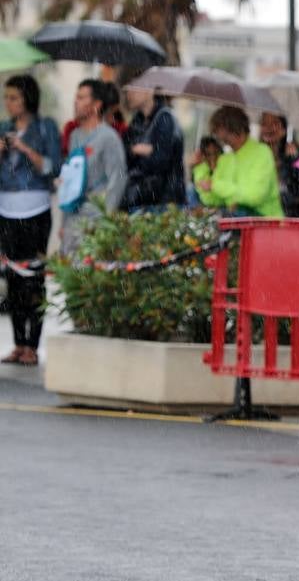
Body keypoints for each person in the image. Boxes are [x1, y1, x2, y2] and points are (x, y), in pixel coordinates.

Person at [0, 74, 61, 365]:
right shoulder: (3, 128)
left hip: (35, 208)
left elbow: (52, 166)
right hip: (6, 209)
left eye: (14, 97)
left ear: (27, 99)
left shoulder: (45, 127)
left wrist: (25, 149)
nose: (8, 103)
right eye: (6, 98)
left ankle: (33, 344)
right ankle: (18, 342)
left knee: (33, 277)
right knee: (12, 276)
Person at [59, 79, 127, 255]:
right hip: (73, 220)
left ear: (96, 104)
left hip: (95, 220)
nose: (76, 102)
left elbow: (118, 179)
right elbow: (71, 181)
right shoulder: (74, 136)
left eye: (81, 98)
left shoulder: (108, 138)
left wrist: (106, 220)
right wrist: (63, 223)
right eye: (76, 97)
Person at [194, 105, 282, 218]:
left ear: (234, 128)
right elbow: (212, 200)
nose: (218, 136)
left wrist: (217, 186)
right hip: (236, 223)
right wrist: (200, 168)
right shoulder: (226, 158)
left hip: (265, 225)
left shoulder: (261, 153)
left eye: (219, 130)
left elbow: (255, 196)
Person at [120, 85, 185, 213]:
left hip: (164, 201)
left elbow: (160, 161)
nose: (129, 94)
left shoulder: (165, 119)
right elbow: (124, 155)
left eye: (134, 88)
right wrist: (138, 150)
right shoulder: (136, 121)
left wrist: (144, 152)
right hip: (138, 199)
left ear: (149, 91)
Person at [259, 111, 299, 217]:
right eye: (264, 123)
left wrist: (293, 162)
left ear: (284, 129)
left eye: (275, 123)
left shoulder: (296, 156)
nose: (269, 128)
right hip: (263, 217)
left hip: (291, 217)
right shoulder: (256, 157)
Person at [189, 136, 222, 210]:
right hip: (208, 205)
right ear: (203, 155)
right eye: (208, 154)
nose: (213, 157)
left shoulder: (224, 163)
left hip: (222, 205)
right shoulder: (201, 169)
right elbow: (205, 191)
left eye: (215, 153)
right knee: (190, 190)